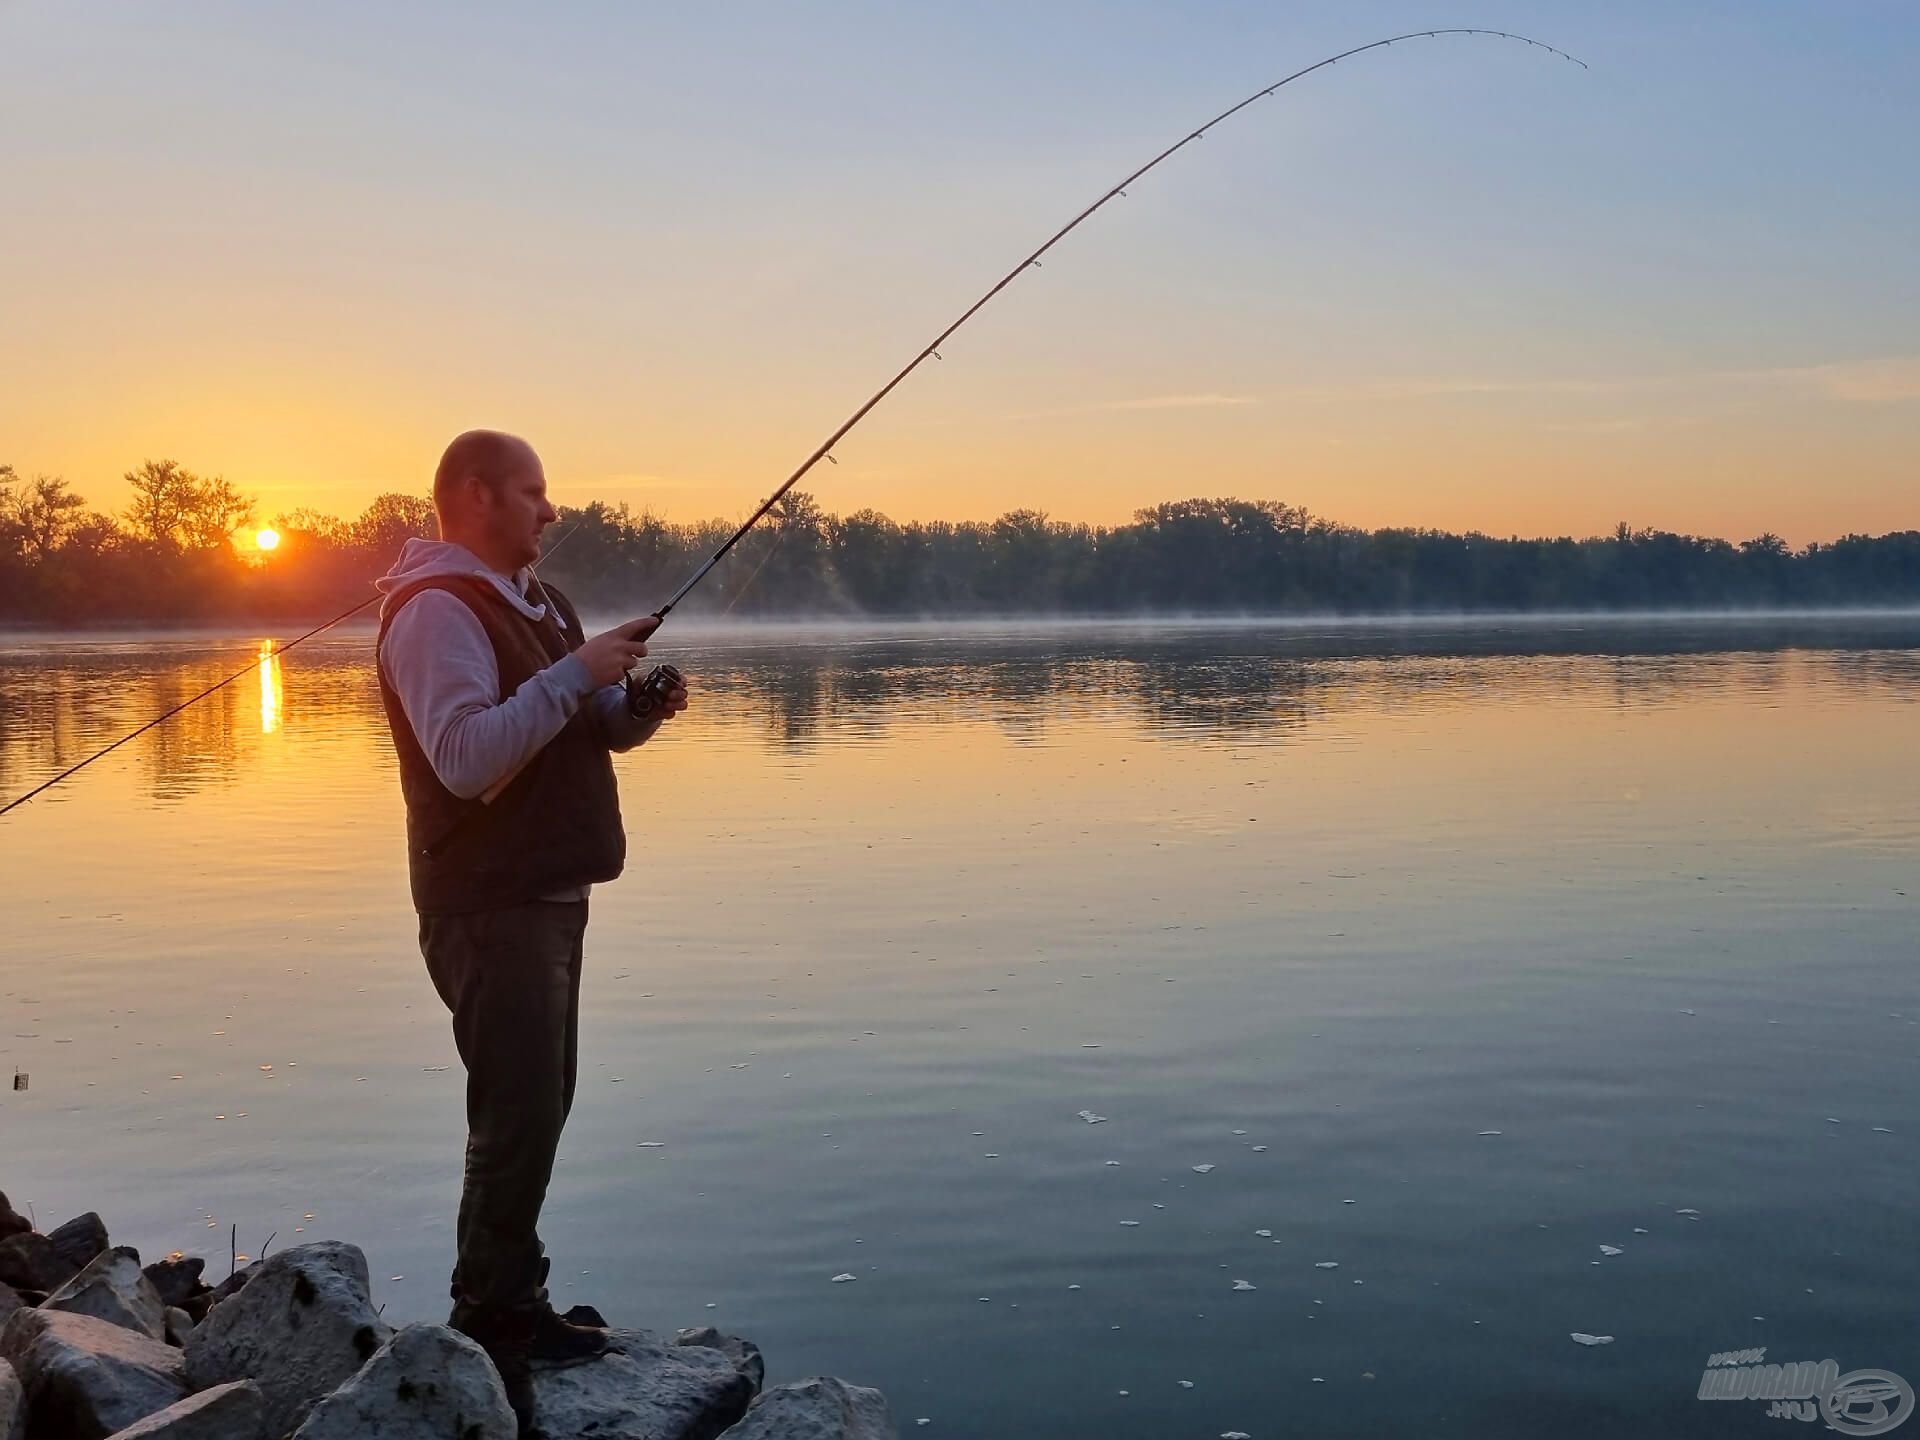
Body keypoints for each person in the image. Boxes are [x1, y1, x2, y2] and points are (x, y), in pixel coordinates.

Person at [373, 429, 687, 1427]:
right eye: (532, 491)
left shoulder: (543, 604)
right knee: (515, 1112)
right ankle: (491, 1314)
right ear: (474, 497)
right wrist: (572, 674)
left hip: (553, 893)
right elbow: (465, 757)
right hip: (487, 905)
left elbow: (586, 724)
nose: (552, 510)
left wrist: (636, 706)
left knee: (543, 1100)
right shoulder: (432, 614)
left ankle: (514, 1300)